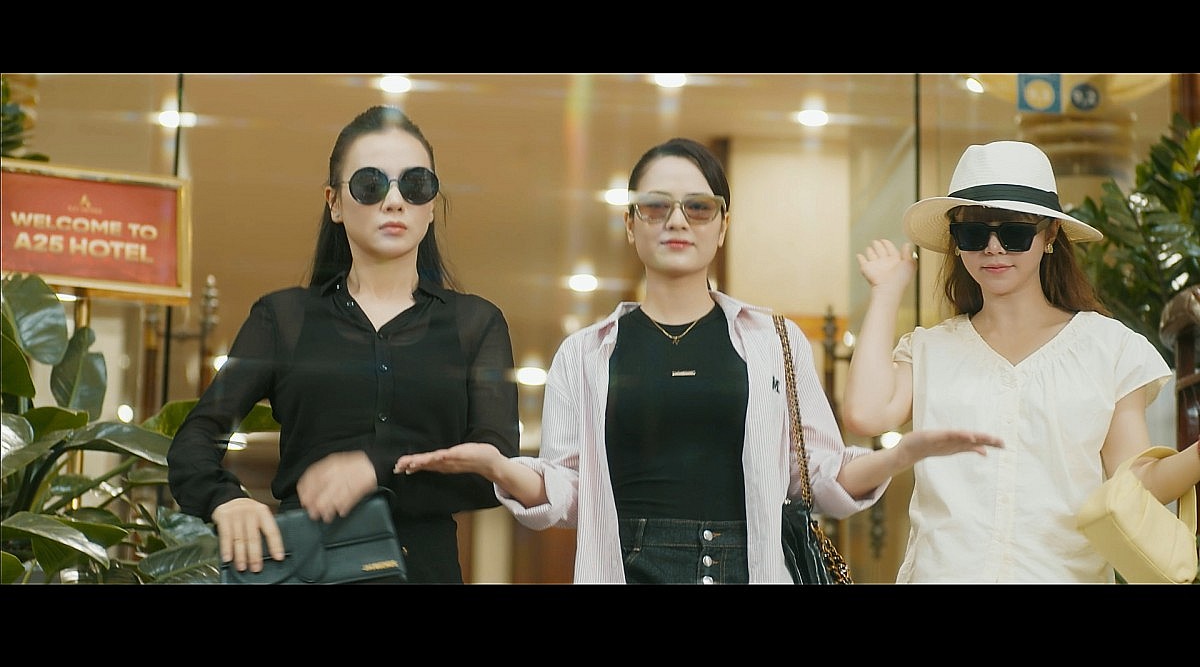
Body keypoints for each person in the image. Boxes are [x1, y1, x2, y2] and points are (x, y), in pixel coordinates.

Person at [394, 137, 1001, 584]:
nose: (677, 221)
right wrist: (499, 468)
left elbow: (817, 478)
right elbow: (567, 490)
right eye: (655, 207)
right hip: (627, 568)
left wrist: (899, 455)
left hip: (750, 568)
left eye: (699, 207)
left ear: (723, 225)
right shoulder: (586, 353)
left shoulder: (776, 340)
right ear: (631, 225)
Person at [167, 105, 520, 584]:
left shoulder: (475, 324)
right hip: (307, 570)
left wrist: (378, 468)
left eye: (415, 185)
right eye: (370, 184)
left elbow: (495, 465)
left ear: (432, 205)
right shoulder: (284, 319)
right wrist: (225, 500)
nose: (394, 201)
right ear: (334, 202)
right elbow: (195, 438)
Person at [842, 139, 1200, 583]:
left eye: (1014, 233)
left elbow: (1136, 483)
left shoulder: (1108, 348)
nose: (993, 248)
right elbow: (866, 413)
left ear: (1050, 236)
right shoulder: (931, 349)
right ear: (955, 242)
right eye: (973, 234)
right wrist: (885, 293)